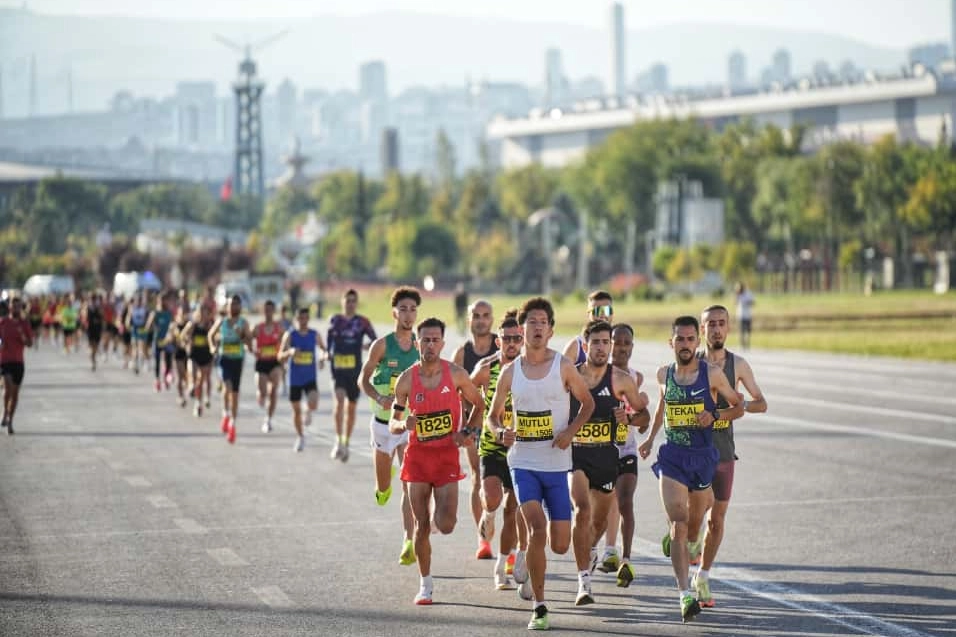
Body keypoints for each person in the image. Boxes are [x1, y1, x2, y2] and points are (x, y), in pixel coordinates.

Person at [486, 297, 595, 631]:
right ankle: (540, 605)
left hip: (556, 463)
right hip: (523, 463)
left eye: (542, 322)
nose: (536, 327)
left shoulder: (563, 366)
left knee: (560, 543)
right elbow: (492, 417)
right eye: (530, 322)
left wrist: (570, 432)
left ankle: (537, 561)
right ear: (522, 329)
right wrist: (501, 431)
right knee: (536, 527)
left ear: (551, 329)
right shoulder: (510, 371)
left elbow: (587, 404)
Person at [637, 315, 744, 623]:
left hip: (702, 458)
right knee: (679, 525)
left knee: (694, 527)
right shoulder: (663, 374)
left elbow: (738, 406)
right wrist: (649, 439)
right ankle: (685, 594)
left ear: (698, 342)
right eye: (679, 340)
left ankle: (685, 545)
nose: (684, 345)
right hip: (672, 458)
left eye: (689, 339)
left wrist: (716, 416)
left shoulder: (711, 374)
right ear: (671, 343)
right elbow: (661, 406)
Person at [389, 317, 485, 605]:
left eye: (435, 340)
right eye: (425, 340)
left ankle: (434, 524)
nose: (430, 345)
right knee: (420, 524)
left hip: (446, 457)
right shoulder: (406, 379)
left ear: (442, 343)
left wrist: (467, 431)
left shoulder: (455, 375)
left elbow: (479, 404)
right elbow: (393, 421)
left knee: (446, 524)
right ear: (418, 343)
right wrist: (402, 424)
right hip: (417, 458)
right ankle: (425, 585)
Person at [691, 304, 767, 607]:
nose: (717, 329)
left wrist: (735, 409)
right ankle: (690, 542)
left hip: (723, 452)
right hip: (693, 453)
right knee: (698, 508)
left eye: (721, 323)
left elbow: (761, 403)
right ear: (702, 329)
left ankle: (704, 576)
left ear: (729, 328)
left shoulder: (739, 365)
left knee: (717, 520)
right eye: (711, 324)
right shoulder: (689, 363)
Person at [568, 320, 648, 606]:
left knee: (599, 520)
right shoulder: (571, 375)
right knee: (582, 509)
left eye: (606, 343)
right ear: (585, 345)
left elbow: (644, 417)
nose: (602, 348)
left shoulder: (621, 379)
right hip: (576, 455)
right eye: (596, 342)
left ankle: (590, 550)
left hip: (606, 457)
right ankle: (583, 583)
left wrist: (630, 418)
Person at [360, 286, 421, 565]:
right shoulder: (382, 345)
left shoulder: (421, 348)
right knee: (386, 487)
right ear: (394, 313)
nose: (408, 315)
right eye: (404, 309)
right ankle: (382, 487)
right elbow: (363, 379)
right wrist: (378, 396)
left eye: (413, 309)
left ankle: (408, 541)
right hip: (383, 425)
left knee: (409, 484)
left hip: (407, 426)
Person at [469, 309, 527, 591]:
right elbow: (466, 394)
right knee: (492, 499)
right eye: (507, 339)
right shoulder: (486, 368)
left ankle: (502, 562)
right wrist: (470, 423)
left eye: (518, 338)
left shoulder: (531, 369)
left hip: (521, 450)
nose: (513, 343)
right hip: (492, 445)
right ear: (498, 342)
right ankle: (487, 514)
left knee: (513, 510)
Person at [596, 323, 650, 588]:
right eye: (616, 342)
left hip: (625, 450)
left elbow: (643, 420)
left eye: (627, 343)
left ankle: (626, 559)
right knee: (597, 510)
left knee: (625, 500)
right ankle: (594, 552)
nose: (622, 348)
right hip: (598, 451)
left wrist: (629, 418)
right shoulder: (596, 375)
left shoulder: (635, 378)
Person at [452, 299, 499, 560]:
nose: (481, 320)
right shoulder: (462, 353)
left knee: (504, 485)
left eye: (485, 315)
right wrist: (464, 426)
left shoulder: (502, 347)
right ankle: (483, 540)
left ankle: (509, 541)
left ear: (492, 319)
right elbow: (455, 393)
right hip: (474, 427)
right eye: (476, 316)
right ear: (469, 320)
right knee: (477, 478)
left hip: (502, 425)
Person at [326, 289, 377, 461]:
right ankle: (338, 440)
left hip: (355, 371)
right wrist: (327, 353)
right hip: (338, 369)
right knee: (339, 401)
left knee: (351, 408)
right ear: (342, 302)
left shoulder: (362, 322)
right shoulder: (336, 320)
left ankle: (346, 442)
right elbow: (329, 341)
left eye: (353, 301)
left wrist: (367, 346)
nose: (350, 304)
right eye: (347, 300)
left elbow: (375, 341)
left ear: (357, 303)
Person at [279, 306, 328, 452]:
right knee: (296, 412)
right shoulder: (290, 335)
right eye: (300, 318)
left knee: (313, 403)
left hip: (310, 377)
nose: (303, 321)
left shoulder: (314, 334)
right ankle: (300, 437)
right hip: (294, 379)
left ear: (308, 319)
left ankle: (308, 410)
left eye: (306, 318)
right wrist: (290, 352)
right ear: (296, 319)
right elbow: (279, 356)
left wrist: (322, 359)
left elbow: (324, 350)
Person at [209, 294, 253, 444]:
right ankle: (225, 413)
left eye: (236, 304)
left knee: (234, 394)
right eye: (231, 304)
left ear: (240, 306)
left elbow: (250, 343)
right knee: (226, 387)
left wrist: (241, 334)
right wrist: (212, 347)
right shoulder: (222, 322)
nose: (233, 307)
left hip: (238, 360)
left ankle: (232, 423)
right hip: (224, 360)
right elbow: (210, 335)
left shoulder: (244, 323)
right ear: (226, 307)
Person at [0, 297, 34, 434]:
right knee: (7, 387)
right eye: (14, 306)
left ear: (21, 308)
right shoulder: (3, 322)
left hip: (19, 362)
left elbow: (30, 344)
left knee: (15, 394)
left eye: (19, 307)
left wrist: (23, 337)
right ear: (10, 308)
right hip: (4, 361)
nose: (16, 309)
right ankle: (4, 412)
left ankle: (10, 420)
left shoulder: (24, 324)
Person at [252, 300, 285, 433]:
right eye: (266, 310)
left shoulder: (279, 327)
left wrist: (284, 356)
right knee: (263, 392)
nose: (268, 313)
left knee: (273, 391)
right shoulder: (258, 327)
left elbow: (285, 342)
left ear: (274, 311)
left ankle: (268, 419)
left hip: (275, 362)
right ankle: (260, 394)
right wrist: (251, 348)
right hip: (261, 363)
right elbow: (247, 338)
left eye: (270, 310)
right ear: (263, 311)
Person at [179, 304, 215, 417]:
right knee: (193, 376)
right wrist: (187, 342)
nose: (204, 315)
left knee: (201, 381)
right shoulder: (192, 325)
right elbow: (182, 335)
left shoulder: (210, 325)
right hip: (194, 354)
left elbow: (216, 337)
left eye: (206, 312)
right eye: (201, 312)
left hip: (206, 355)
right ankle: (190, 387)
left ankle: (198, 403)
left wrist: (214, 344)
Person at [562, 290, 613, 365]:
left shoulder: (619, 342)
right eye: (597, 311)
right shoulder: (576, 346)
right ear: (588, 313)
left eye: (607, 310)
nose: (602, 315)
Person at [144, 292, 175, 393]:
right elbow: (148, 327)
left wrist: (172, 333)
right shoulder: (155, 313)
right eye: (161, 300)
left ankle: (166, 377)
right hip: (157, 340)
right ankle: (157, 380)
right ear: (158, 301)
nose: (162, 302)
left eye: (164, 300)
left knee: (168, 359)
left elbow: (174, 325)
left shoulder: (169, 313)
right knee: (157, 361)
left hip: (167, 340)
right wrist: (152, 326)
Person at [82, 293, 105, 372]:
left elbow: (102, 317)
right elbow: (84, 318)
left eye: (94, 299)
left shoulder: (99, 307)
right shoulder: (87, 307)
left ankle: (93, 358)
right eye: (92, 299)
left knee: (95, 346)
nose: (93, 300)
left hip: (97, 329)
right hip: (90, 329)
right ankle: (93, 361)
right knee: (92, 345)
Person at [735, 282, 755, 350]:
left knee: (748, 331)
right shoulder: (738, 294)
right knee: (741, 330)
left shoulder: (748, 293)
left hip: (748, 315)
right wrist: (736, 296)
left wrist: (747, 302)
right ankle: (742, 345)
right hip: (740, 315)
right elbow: (735, 302)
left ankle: (747, 344)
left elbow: (753, 302)